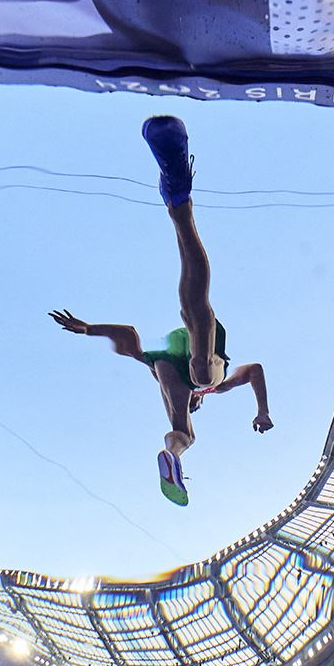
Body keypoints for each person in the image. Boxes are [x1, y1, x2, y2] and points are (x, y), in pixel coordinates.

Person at [50, 115, 273, 506]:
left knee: (180, 394)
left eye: (194, 401)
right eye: (196, 402)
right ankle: (179, 204)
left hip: (174, 360)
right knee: (197, 350)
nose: (195, 400)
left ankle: (171, 455)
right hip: (196, 352)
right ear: (201, 402)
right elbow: (254, 371)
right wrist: (262, 412)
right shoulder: (212, 388)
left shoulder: (171, 376)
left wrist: (88, 330)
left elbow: (128, 337)